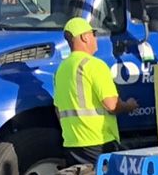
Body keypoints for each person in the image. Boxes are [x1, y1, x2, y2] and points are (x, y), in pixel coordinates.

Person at [53, 16, 139, 158]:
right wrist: (129, 106)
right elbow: (112, 105)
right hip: (99, 141)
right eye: (93, 34)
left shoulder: (60, 70)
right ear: (84, 37)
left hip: (72, 143)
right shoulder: (94, 65)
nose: (95, 38)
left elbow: (58, 109)